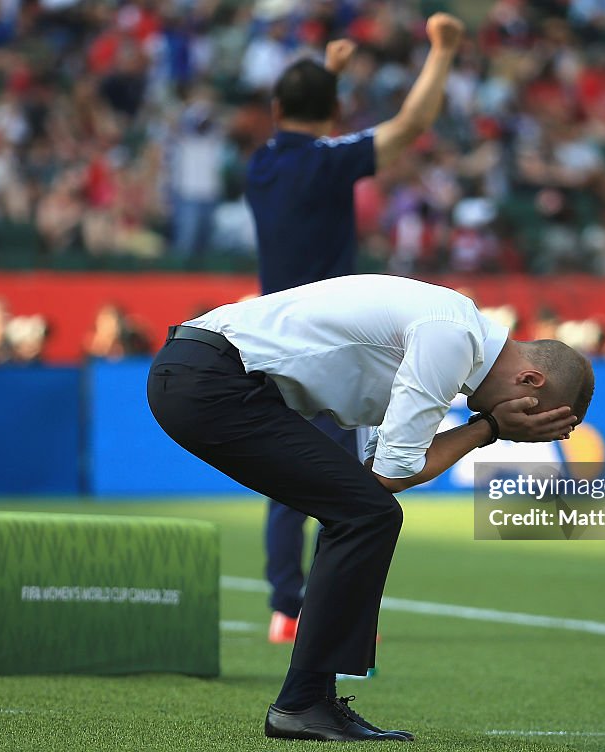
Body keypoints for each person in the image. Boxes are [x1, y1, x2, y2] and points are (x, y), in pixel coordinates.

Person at [146, 274, 592, 742]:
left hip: (205, 373)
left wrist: (488, 426)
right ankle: (302, 703)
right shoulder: (452, 337)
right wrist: (490, 429)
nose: (529, 431)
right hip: (212, 380)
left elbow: (378, 471)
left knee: (360, 510)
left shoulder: (454, 343)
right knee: (366, 514)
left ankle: (307, 699)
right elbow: (389, 478)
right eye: (537, 418)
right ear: (529, 380)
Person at [246, 12, 467, 645]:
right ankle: (324, 611)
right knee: (343, 481)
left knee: (286, 482)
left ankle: (286, 606)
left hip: (268, 337)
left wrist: (328, 72)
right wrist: (443, 52)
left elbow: (305, 116)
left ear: (276, 105)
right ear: (333, 108)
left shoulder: (261, 165)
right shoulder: (327, 163)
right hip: (330, 344)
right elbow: (412, 125)